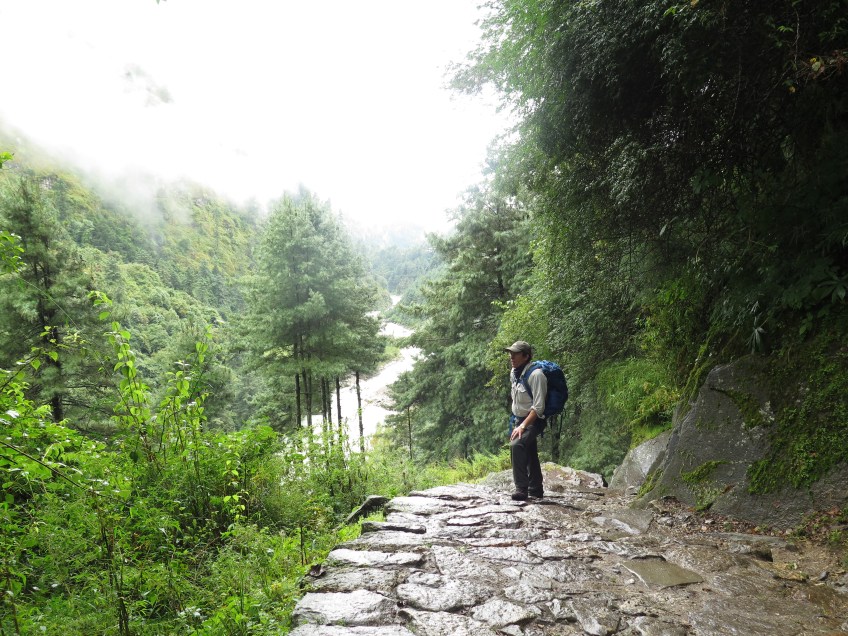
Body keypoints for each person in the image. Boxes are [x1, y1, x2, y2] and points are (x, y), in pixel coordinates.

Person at [505, 340, 547, 501]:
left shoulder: (537, 376)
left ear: (526, 356)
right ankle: (536, 489)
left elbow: (538, 408)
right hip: (519, 419)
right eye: (510, 353)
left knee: (517, 445)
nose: (511, 357)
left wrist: (523, 426)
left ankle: (521, 489)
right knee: (529, 451)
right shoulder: (514, 373)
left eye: (515, 354)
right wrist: (517, 421)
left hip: (534, 420)